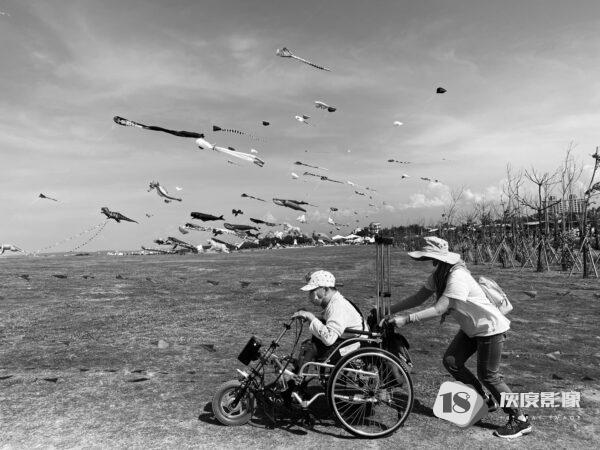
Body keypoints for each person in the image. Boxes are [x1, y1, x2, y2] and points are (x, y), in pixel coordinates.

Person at [385, 236, 532, 439]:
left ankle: (520, 419)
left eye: (427, 257)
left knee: (489, 375)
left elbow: (439, 308)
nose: (426, 261)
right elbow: (418, 298)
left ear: (438, 258)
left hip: (489, 328)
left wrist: (406, 319)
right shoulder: (440, 275)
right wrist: (389, 310)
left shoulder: (457, 276)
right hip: (472, 328)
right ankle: (485, 399)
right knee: (452, 361)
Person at [292, 270, 368, 370]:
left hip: (355, 345)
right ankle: (299, 374)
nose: (310, 296)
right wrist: (309, 317)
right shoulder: (334, 302)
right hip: (348, 339)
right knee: (308, 346)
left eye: (312, 291)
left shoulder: (338, 306)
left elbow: (329, 339)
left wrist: (310, 317)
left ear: (325, 289)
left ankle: (299, 376)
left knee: (310, 348)